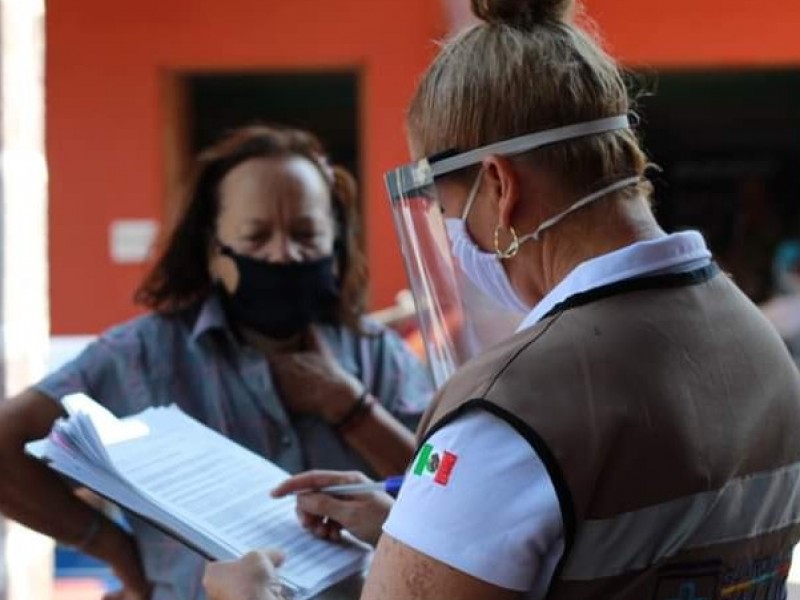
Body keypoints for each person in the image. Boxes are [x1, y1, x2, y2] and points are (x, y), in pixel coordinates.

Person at [202, 0, 800, 599]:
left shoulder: (510, 416)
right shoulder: (760, 346)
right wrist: (434, 530)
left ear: (499, 185)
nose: (453, 236)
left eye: (445, 209)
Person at [0, 125, 432, 600]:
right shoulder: (141, 355)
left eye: (306, 234)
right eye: (256, 235)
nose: (284, 254)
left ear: (335, 245)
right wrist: (113, 548)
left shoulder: (374, 350)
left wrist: (352, 408)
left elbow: (448, 495)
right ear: (213, 252)